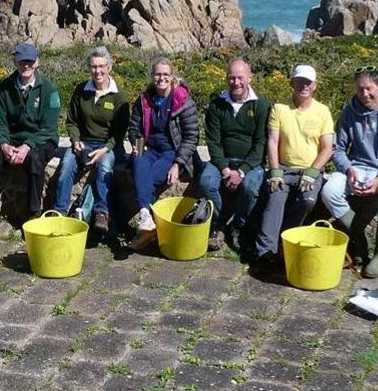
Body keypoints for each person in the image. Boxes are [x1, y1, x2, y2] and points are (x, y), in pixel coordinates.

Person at [321, 66, 378, 278]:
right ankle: (358, 235)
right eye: (360, 89)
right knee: (329, 191)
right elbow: (338, 149)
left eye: (369, 88)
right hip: (357, 167)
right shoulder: (349, 111)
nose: (365, 94)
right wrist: (348, 169)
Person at [249, 64, 334, 268]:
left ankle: (285, 241)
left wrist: (313, 172)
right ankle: (265, 253)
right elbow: (272, 141)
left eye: (308, 82)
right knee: (274, 200)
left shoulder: (323, 111)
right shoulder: (279, 108)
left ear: (314, 86)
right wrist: (275, 170)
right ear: (291, 83)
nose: (304, 85)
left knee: (307, 201)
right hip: (284, 169)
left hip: (309, 171)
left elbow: (327, 148)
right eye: (300, 81)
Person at [0, 43, 61, 236]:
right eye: (22, 61)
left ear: (37, 63)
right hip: (11, 139)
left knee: (35, 160)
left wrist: (28, 146)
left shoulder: (49, 90)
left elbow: (49, 127)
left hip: (42, 139)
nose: (26, 65)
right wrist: (4, 144)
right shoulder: (3, 89)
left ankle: (34, 212)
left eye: (30, 61)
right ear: (15, 62)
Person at [53, 46, 130, 237]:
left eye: (102, 66)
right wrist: (76, 140)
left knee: (104, 168)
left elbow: (120, 132)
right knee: (66, 167)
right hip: (84, 143)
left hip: (109, 146)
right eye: (94, 67)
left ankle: (101, 213)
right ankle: (59, 212)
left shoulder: (119, 96)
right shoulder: (81, 90)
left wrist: (106, 149)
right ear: (89, 68)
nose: (98, 71)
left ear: (110, 67)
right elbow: (71, 122)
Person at [125, 58, 200, 251]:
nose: (161, 78)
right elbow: (134, 128)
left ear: (172, 76)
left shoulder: (183, 100)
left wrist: (178, 164)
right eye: (158, 74)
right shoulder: (144, 100)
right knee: (138, 161)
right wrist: (137, 145)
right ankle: (145, 216)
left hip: (172, 151)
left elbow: (192, 137)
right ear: (152, 76)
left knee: (149, 177)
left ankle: (145, 229)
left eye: (165, 74)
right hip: (148, 147)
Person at [201, 58, 271, 252]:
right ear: (226, 78)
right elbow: (213, 142)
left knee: (249, 188)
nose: (236, 82)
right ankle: (220, 224)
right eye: (232, 78)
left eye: (240, 77)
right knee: (207, 183)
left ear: (250, 78)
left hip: (250, 163)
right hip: (221, 161)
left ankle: (238, 226)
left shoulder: (262, 106)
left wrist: (240, 172)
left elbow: (261, 144)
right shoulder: (217, 105)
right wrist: (225, 169)